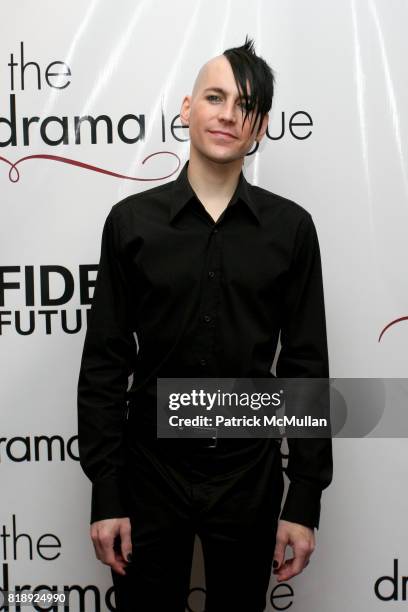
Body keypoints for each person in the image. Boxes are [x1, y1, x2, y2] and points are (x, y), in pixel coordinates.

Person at [77, 36, 332, 612]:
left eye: (244, 106)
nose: (227, 114)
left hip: (249, 477)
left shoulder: (291, 230)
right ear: (187, 109)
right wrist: (108, 493)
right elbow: (104, 365)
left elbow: (305, 365)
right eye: (214, 97)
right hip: (148, 477)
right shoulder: (131, 224)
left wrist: (305, 499)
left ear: (260, 126)